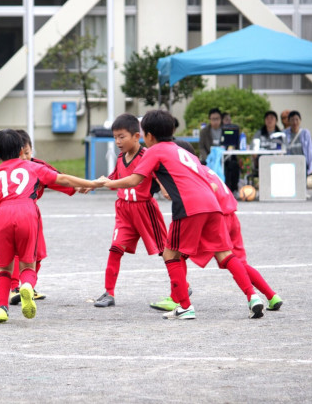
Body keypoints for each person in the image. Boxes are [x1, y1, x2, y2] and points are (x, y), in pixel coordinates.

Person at [100, 110, 265, 320]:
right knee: (224, 254)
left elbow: (134, 180)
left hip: (189, 207)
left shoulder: (154, 151)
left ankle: (185, 306)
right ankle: (253, 297)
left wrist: (107, 183)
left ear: (149, 135)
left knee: (170, 254)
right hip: (213, 205)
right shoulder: (185, 152)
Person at [0, 129, 104, 323]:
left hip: (1, 215)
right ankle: (26, 285)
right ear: (21, 150)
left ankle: (1, 309)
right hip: (27, 212)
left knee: (4, 268)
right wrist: (93, 183)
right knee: (29, 264)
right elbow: (62, 179)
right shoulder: (32, 167)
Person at [0, 129, 74, 306]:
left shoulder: (36, 166)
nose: (24, 158)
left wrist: (80, 187)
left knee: (37, 253)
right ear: (17, 151)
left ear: (30, 151)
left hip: (23, 214)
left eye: (28, 154)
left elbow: (59, 179)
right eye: (23, 154)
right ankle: (17, 288)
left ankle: (25, 287)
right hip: (24, 214)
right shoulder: (7, 173)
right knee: (18, 255)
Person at [173, 140, 283, 313]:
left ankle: (178, 296)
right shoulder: (206, 168)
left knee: (176, 253)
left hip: (216, 219)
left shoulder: (193, 173)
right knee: (238, 263)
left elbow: (211, 189)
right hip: (231, 216)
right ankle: (271, 295)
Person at [91, 113, 167, 308]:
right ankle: (109, 293)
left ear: (136, 136)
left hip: (145, 210)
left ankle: (183, 285)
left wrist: (166, 188)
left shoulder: (147, 156)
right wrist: (92, 185)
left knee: (165, 250)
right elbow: (114, 178)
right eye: (115, 137)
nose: (117, 141)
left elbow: (158, 175)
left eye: (122, 136)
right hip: (124, 211)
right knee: (115, 249)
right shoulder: (120, 157)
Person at [199, 108, 240, 194]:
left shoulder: (227, 130)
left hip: (225, 157)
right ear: (209, 119)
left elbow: (232, 143)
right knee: (202, 165)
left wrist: (230, 149)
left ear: (221, 119)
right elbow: (202, 147)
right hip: (210, 158)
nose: (215, 121)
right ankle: (206, 191)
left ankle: (231, 190)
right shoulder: (204, 132)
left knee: (233, 165)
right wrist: (207, 158)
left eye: (217, 119)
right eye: (213, 119)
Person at [251, 110, 283, 178]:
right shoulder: (259, 133)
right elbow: (253, 150)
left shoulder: (280, 135)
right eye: (267, 118)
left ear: (276, 121)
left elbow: (284, 150)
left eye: (272, 118)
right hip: (262, 161)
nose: (269, 120)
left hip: (276, 162)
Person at [283, 110, 312, 175]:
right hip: (289, 166)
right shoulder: (284, 133)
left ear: (300, 120)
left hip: (302, 165)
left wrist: (310, 169)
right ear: (289, 121)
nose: (295, 122)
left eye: (297, 119)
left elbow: (310, 150)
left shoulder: (305, 133)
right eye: (292, 120)